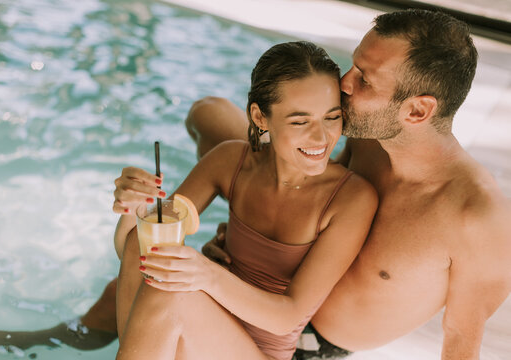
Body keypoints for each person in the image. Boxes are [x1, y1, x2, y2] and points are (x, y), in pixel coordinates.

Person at [182, 9, 511, 360]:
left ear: (417, 111)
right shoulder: (372, 137)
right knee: (209, 111)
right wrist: (250, 234)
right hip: (276, 282)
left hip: (305, 341)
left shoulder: (478, 219)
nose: (344, 84)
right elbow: (315, 198)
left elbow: (461, 340)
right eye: (352, 66)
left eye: (365, 80)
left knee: (162, 298)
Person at [114, 41, 377, 360]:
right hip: (200, 332)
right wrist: (134, 208)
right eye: (299, 121)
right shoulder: (230, 160)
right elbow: (136, 251)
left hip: (259, 353)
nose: (321, 138)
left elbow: (288, 317)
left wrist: (207, 275)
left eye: (332, 118)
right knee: (155, 262)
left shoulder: (350, 199)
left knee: (172, 288)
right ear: (260, 117)